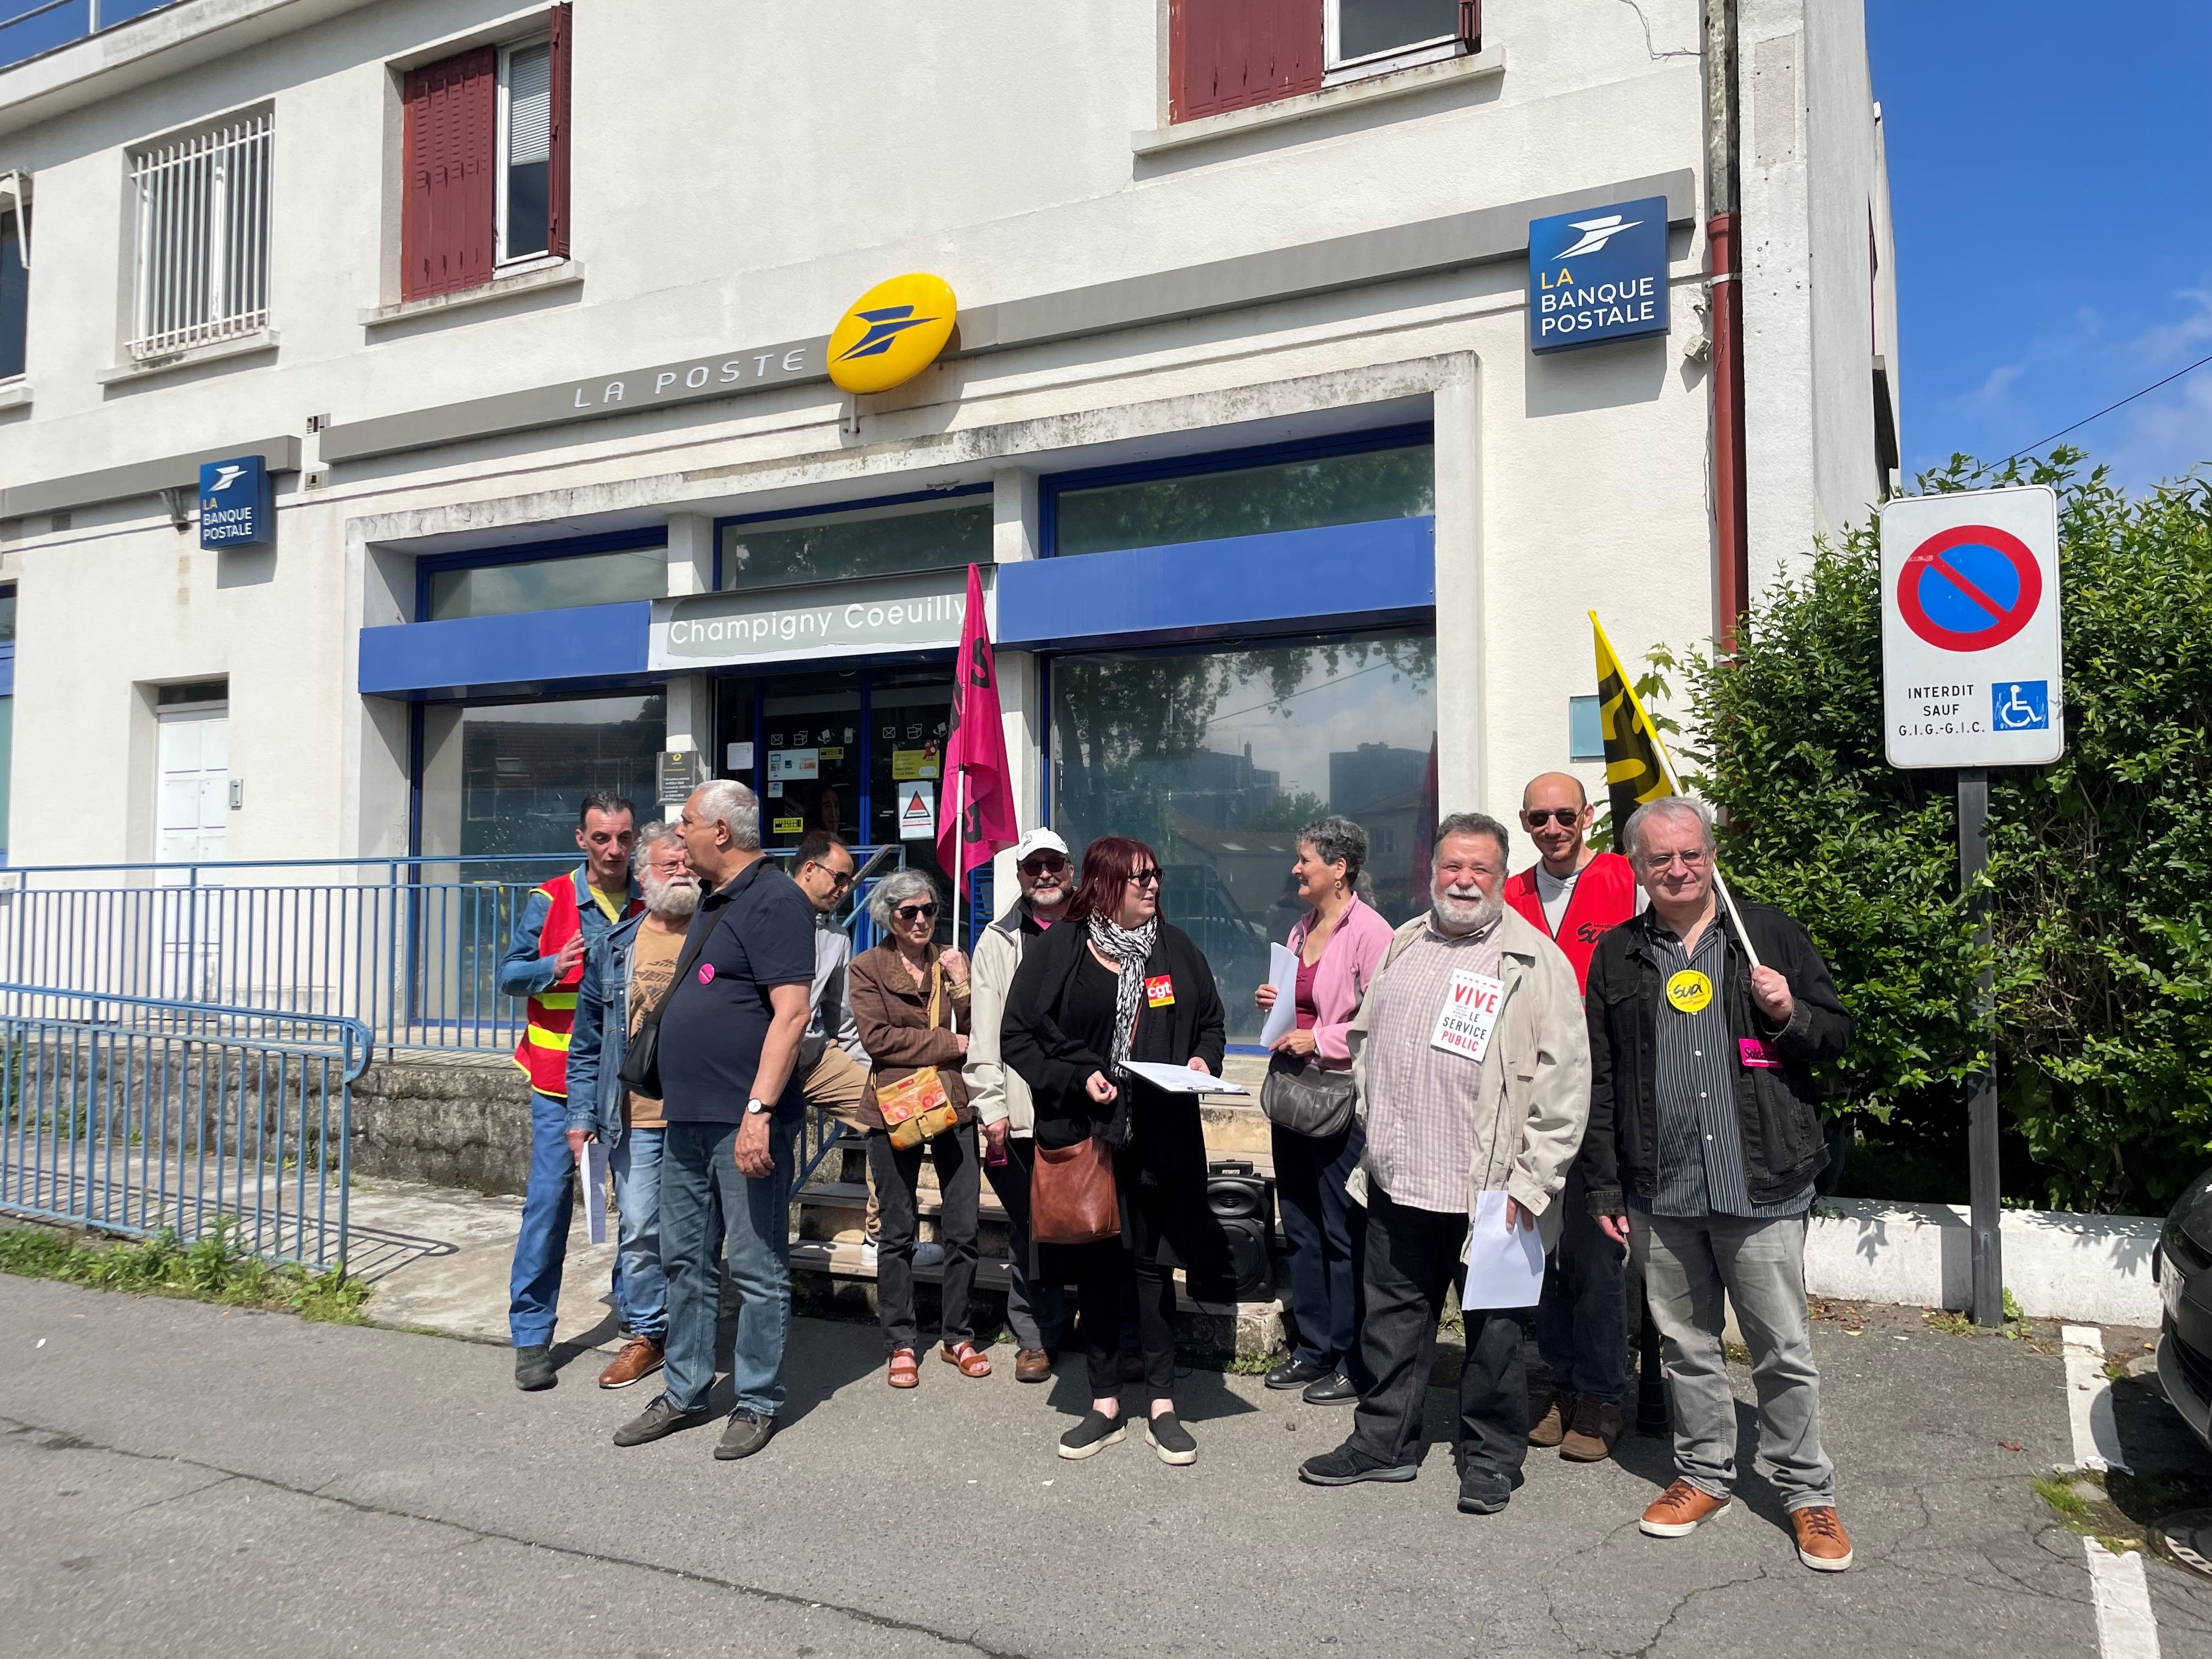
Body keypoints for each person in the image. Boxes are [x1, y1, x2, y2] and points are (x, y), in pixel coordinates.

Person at [1582, 796, 1855, 1572]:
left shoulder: (1764, 932)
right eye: (1660, 859)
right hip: (1662, 1188)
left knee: (1782, 1347)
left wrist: (1789, 1012)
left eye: (1691, 855)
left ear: (1712, 856)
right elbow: (1603, 1080)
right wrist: (1606, 1189)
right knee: (1686, 1348)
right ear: (1636, 867)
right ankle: (1704, 1474)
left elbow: (1837, 1035)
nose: (1678, 870)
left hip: (1760, 1181)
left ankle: (1807, 1493)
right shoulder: (1618, 955)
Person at [1299, 812, 1589, 1516]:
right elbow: (1367, 1039)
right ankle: (1384, 1444)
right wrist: (1377, 1129)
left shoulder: (1532, 960)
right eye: (1452, 867)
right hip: (1399, 1181)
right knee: (1391, 1324)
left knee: (1492, 1337)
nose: (1464, 881)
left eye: (1480, 870)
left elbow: (1566, 1083)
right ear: (1432, 872)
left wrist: (1534, 1181)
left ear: (1500, 876)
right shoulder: (1405, 940)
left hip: (1493, 1193)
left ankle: (1491, 1458)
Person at [1001, 836, 1228, 1467]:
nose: (1153, 887)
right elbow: (1017, 1036)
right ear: (1104, 885)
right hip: (1089, 1136)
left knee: (1154, 1271)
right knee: (1099, 1273)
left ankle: (1161, 1404)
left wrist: (1202, 1059)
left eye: (1156, 876)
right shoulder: (1062, 949)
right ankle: (1104, 1403)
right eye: (1139, 879)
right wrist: (1078, 1078)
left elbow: (1211, 1021)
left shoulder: (1175, 948)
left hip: (1160, 1136)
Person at [611, 780, 817, 1461]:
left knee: (756, 1267)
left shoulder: (777, 900)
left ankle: (757, 1401)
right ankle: (684, 1390)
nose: (680, 835)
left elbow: (791, 1013)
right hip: (686, 1117)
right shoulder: (712, 902)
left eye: (689, 823)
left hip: (742, 1120)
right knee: (685, 1260)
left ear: (723, 832)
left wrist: (758, 1111)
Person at [1504, 772, 1641, 1462]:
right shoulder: (1511, 893)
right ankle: (1557, 1379)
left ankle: (1603, 1392)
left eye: (1565, 815)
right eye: (1538, 819)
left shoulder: (1628, 877)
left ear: (1588, 815)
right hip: (1530, 1098)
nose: (1553, 829)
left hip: (1605, 1096)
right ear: (1524, 823)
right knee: (1541, 1251)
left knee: (1595, 1254)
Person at [496, 793, 642, 1392]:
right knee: (549, 1208)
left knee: (640, 1212)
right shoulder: (549, 899)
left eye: (623, 839)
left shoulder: (650, 897)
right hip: (558, 1086)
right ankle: (532, 1337)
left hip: (634, 1084)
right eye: (601, 838)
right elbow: (509, 975)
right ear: (581, 839)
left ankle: (637, 1320)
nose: (613, 850)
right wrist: (551, 966)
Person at [1252, 815, 1393, 1407]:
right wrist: (1275, 1005)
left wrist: (1324, 1039)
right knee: (1303, 1227)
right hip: (1293, 1093)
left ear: (1339, 869)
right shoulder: (1298, 927)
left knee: (1344, 1233)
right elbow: (1298, 1001)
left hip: (1340, 1100)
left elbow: (1382, 1019)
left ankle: (1351, 1357)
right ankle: (1312, 1347)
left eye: (1305, 859)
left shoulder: (1372, 933)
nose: (1295, 869)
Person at [565, 822, 697, 1389]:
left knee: (697, 1232)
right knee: (641, 1227)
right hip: (636, 1116)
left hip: (703, 1111)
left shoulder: (719, 935)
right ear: (645, 875)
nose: (684, 873)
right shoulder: (615, 946)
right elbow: (588, 1041)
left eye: (690, 864)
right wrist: (579, 1118)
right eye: (671, 865)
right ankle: (646, 1332)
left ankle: (692, 1332)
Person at [849, 869, 991, 1385]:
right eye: (909, 911)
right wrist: (948, 1045)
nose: (921, 920)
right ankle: (902, 1342)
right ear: (890, 916)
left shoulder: (950, 962)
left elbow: (980, 1031)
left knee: (963, 1227)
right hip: (894, 1106)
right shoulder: (866, 968)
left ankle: (958, 1335)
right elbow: (879, 1041)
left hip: (953, 1104)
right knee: (898, 1229)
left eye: (929, 910)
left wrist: (963, 984)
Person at [966, 827, 1074, 1384]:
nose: (1045, 875)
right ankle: (1035, 1336)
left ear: (1070, 869)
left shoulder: (1097, 929)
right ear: (1019, 876)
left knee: (1099, 1220)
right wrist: (991, 1106)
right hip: (1022, 1105)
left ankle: (1107, 1329)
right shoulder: (997, 940)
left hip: (1084, 1103)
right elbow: (983, 1034)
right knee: (1030, 1227)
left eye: (1053, 864)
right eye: (1034, 867)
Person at [787, 832, 881, 1254]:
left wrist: (874, 1074)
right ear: (809, 870)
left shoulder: (837, 937)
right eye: (840, 879)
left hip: (811, 1058)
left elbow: (843, 1021)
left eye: (849, 883)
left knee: (886, 1113)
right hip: (758, 1062)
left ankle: (879, 1236)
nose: (845, 890)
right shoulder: (761, 916)